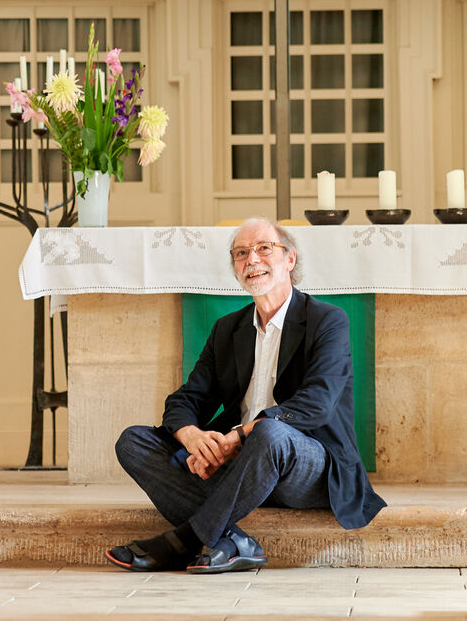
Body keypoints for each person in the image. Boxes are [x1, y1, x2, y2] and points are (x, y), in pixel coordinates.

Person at [106, 217, 385, 574]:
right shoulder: (228, 329)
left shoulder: (327, 321)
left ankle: (185, 541)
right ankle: (234, 541)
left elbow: (315, 404)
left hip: (307, 466)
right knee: (133, 441)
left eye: (263, 249)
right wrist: (192, 437)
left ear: (290, 260)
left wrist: (239, 436)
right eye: (240, 253)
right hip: (240, 467)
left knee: (270, 432)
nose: (251, 259)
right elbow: (186, 399)